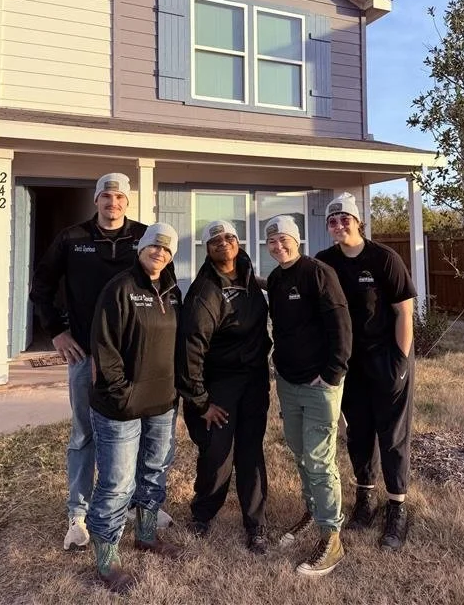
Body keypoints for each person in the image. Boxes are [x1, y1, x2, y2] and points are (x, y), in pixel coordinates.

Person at [30, 173, 170, 550]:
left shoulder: (145, 237)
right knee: (84, 433)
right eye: (106, 196)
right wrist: (57, 331)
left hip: (137, 358)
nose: (113, 203)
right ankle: (78, 513)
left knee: (140, 432)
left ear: (128, 202)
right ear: (97, 200)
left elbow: (166, 290)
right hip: (86, 356)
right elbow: (41, 286)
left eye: (120, 197)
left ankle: (139, 505)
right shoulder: (72, 239)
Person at [315, 192, 416, 551]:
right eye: (333, 220)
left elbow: (404, 313)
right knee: (358, 433)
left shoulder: (384, 259)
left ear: (358, 221)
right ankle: (365, 499)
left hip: (387, 357)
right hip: (349, 363)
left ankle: (397, 507)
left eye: (345, 219)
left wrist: (401, 363)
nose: (339, 225)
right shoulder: (324, 262)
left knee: (392, 435)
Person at [87, 223, 182, 592]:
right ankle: (106, 557)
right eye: (153, 246)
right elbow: (104, 346)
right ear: (141, 249)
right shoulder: (121, 288)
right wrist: (121, 393)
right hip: (120, 405)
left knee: (155, 470)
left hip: (163, 402)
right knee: (117, 483)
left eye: (166, 248)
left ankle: (145, 534)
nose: (159, 252)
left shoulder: (172, 292)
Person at [176, 220, 271, 555]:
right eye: (215, 240)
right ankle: (203, 513)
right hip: (221, 384)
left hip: (255, 379)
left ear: (238, 242)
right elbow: (191, 348)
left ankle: (256, 523)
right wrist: (201, 401)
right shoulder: (204, 292)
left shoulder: (249, 277)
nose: (224, 243)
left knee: (251, 449)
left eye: (229, 237)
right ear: (207, 249)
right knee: (218, 453)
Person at [265, 215, 352, 577]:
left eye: (283, 239)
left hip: (319, 384)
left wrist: (331, 374)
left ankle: (332, 538)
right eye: (271, 241)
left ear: (296, 240)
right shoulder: (275, 278)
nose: (278, 246)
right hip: (288, 381)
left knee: (319, 460)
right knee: (300, 452)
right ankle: (313, 512)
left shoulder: (318, 272)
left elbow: (341, 325)